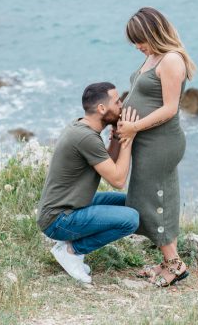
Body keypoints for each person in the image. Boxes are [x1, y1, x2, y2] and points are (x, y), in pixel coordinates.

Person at [116, 7, 197, 287]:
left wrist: (134, 127)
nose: (138, 47)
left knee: (156, 199)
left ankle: (175, 265)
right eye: (135, 42)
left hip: (161, 142)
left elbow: (170, 108)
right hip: (147, 141)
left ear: (154, 32)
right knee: (153, 196)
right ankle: (166, 262)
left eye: (141, 40)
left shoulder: (172, 60)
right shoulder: (153, 56)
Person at [36, 82, 140, 284]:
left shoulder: (82, 128)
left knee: (131, 203)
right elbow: (118, 180)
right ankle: (71, 250)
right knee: (131, 219)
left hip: (71, 205)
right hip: (58, 219)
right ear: (102, 108)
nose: (121, 106)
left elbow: (106, 164)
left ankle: (70, 247)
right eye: (117, 102)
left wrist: (117, 139)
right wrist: (129, 139)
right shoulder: (86, 138)